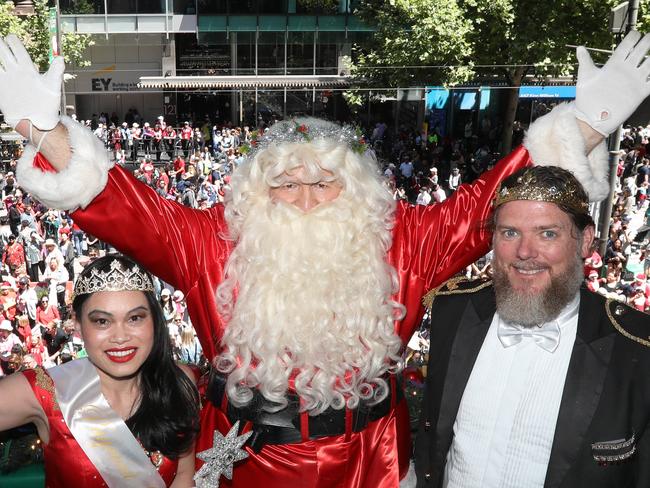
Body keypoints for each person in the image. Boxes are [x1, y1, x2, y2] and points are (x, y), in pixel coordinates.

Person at [2, 31, 649, 487]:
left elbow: (486, 202)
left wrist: (584, 123)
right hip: (251, 468)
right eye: (284, 184)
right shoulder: (208, 245)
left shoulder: (403, 243)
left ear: (355, 191)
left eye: (323, 183)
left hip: (374, 464)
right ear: (258, 194)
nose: (305, 199)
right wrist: (43, 131)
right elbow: (124, 202)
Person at [414, 166, 650, 487]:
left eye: (547, 233)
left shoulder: (636, 349)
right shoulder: (453, 310)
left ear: (585, 241)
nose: (524, 252)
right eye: (510, 232)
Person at [0, 254, 200, 486]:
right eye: (102, 321)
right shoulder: (46, 391)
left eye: (135, 318)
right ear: (77, 323)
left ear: (154, 320)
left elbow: (184, 476)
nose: (121, 337)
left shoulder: (179, 382)